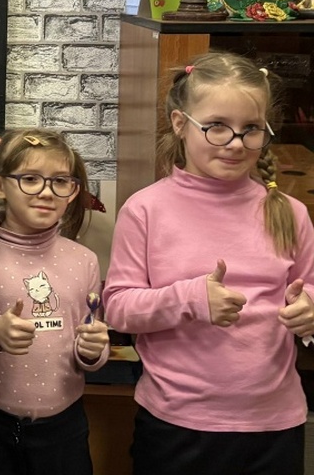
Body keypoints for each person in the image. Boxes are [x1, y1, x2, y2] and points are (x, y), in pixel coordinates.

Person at [104, 51, 314, 475]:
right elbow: (119, 308)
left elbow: (308, 286)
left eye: (251, 129)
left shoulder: (290, 213)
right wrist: (192, 299)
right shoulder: (145, 210)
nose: (235, 143)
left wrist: (308, 308)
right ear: (180, 123)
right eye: (217, 126)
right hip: (177, 427)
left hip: (273, 428)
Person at [0, 128, 109, 475]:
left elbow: (89, 345)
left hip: (65, 430)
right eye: (30, 179)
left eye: (60, 181)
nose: (46, 192)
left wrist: (94, 350)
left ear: (73, 190)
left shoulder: (84, 261)